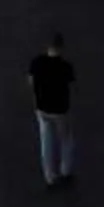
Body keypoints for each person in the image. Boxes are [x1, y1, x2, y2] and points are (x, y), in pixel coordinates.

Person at [28, 32, 76, 188]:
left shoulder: (36, 62)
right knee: (66, 139)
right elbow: (71, 87)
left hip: (42, 108)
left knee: (46, 141)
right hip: (60, 110)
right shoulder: (65, 66)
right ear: (61, 47)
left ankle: (50, 177)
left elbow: (31, 82)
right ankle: (65, 171)